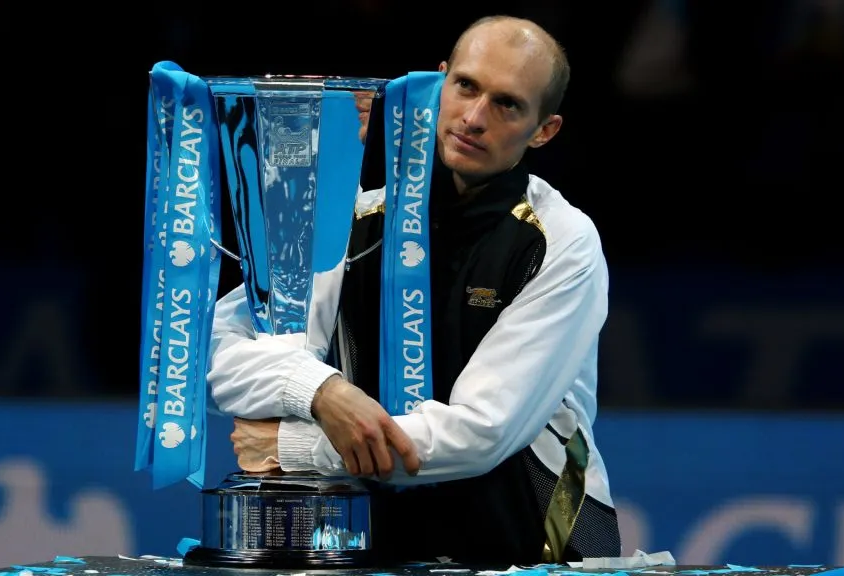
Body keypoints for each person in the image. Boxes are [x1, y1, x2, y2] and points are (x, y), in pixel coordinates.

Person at [207, 15, 621, 565]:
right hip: (376, 549)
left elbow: (482, 432)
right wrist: (321, 391)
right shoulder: (359, 219)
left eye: (508, 104)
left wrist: (297, 445)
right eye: (466, 87)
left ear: (544, 130)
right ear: (439, 82)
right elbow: (216, 351)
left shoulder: (562, 242)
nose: (474, 118)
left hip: (532, 552)